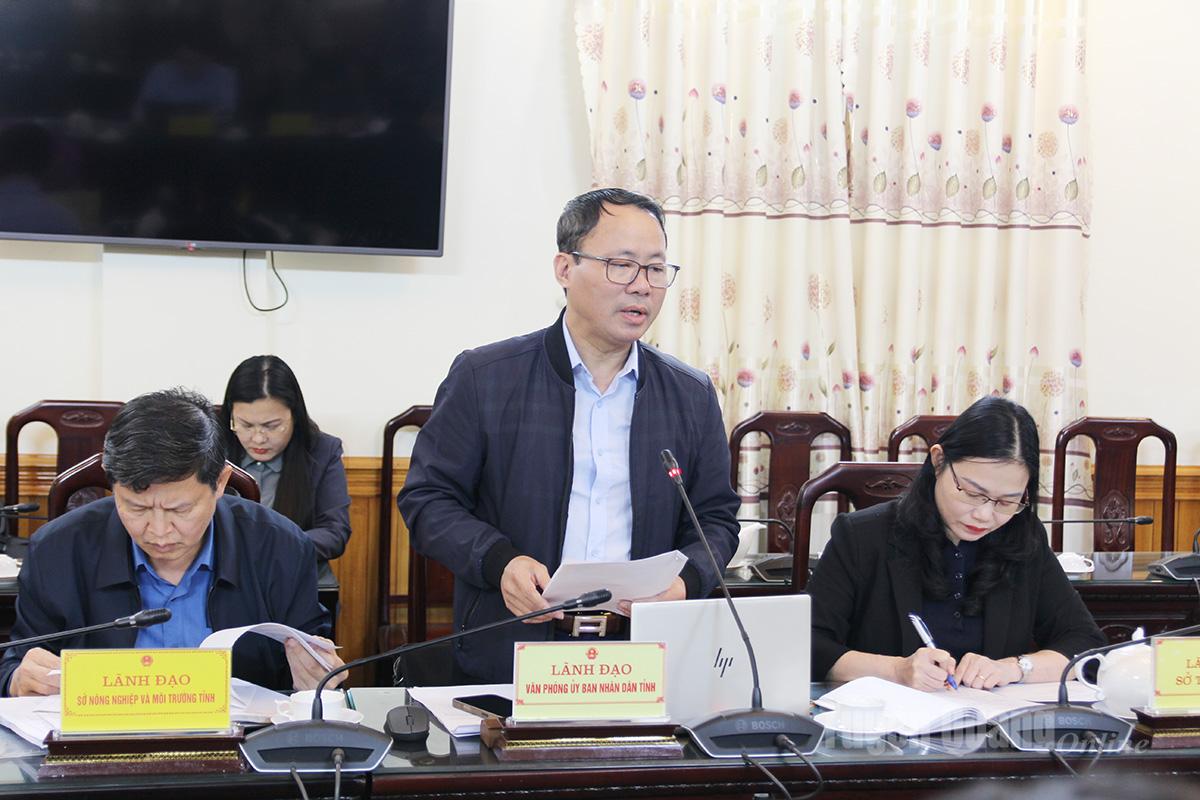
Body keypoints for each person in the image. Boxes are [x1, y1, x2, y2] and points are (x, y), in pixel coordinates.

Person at [398, 188, 740, 683]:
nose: (642, 286)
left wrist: (687, 581)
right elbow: (428, 500)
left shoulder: (690, 394)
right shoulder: (485, 378)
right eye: (621, 265)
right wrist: (500, 562)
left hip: (642, 651)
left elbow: (716, 520)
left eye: (655, 268)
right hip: (514, 647)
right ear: (565, 268)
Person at [0, 388, 344, 696]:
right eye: (137, 508)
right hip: (99, 741)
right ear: (111, 484)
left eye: (180, 509)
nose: (159, 531)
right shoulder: (57, 550)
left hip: (243, 742)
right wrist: (17, 679)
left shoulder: (280, 548)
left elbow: (313, 674)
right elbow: (17, 664)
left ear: (220, 482)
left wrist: (317, 679)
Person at [809, 396, 1105, 691]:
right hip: (886, 716)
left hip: (990, 717)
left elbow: (1085, 642)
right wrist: (896, 670)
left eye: (1006, 501)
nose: (984, 515)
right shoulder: (862, 536)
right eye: (973, 493)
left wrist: (1014, 667)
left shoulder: (1023, 536)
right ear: (939, 461)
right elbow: (810, 645)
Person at [219, 355, 351, 562]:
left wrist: (275, 546)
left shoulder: (323, 451)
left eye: (271, 426)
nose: (258, 438)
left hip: (292, 566)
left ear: (295, 416)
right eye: (245, 425)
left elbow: (334, 532)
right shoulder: (213, 447)